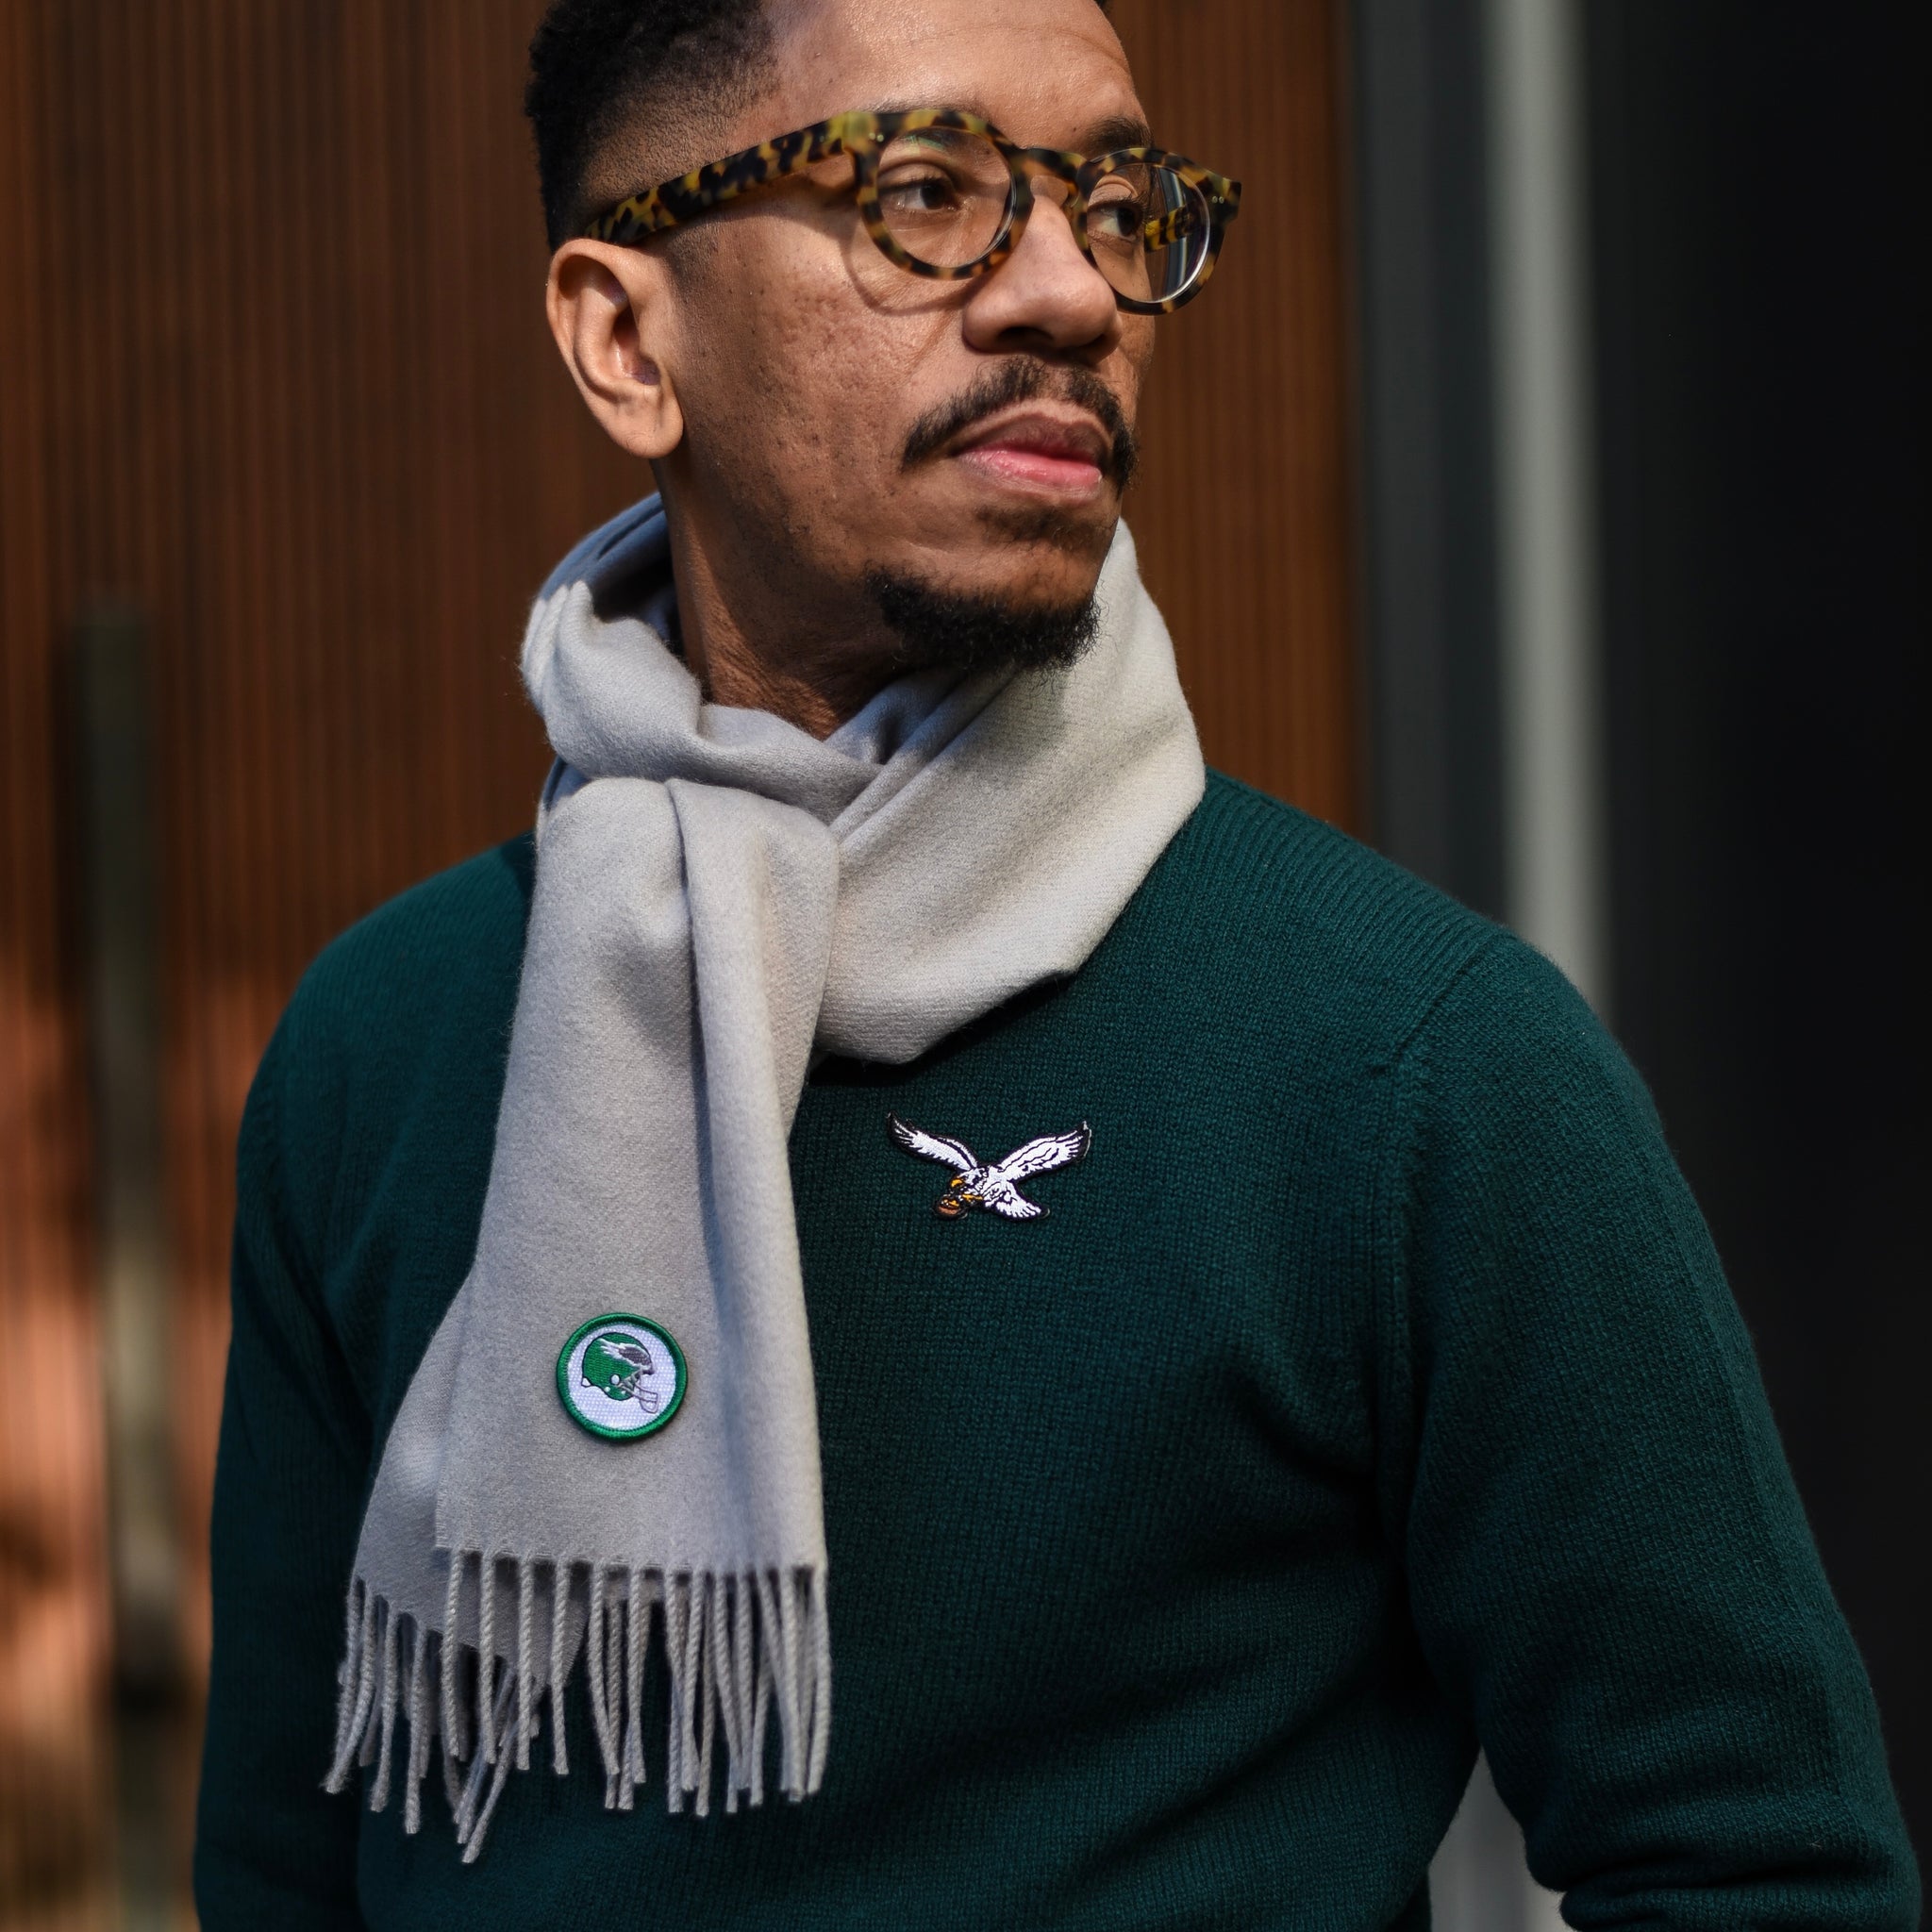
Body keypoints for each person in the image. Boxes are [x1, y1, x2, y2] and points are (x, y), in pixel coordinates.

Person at [191, 0, 1919, 1924]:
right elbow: (283, 1876)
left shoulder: (1410, 1061)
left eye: (1116, 206)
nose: (1074, 294)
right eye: (926, 195)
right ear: (626, 339)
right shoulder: (385, 1048)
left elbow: (1759, 1873)